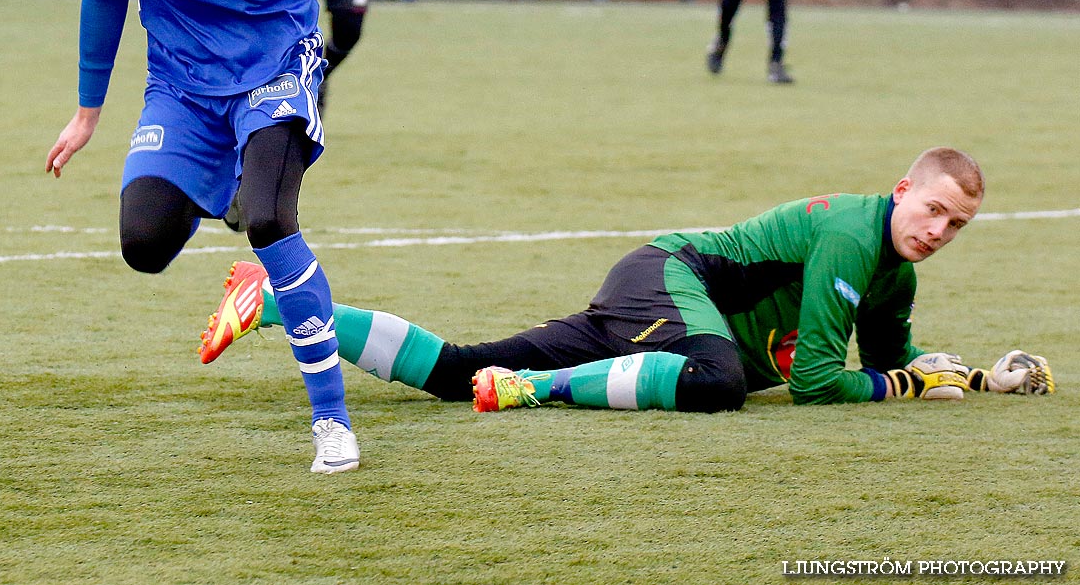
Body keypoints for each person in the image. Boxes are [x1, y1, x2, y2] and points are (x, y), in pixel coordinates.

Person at [43, 0, 575, 474]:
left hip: (276, 61)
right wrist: (89, 107)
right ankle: (229, 199)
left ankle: (331, 420)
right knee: (144, 242)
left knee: (269, 216)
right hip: (182, 84)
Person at [201, 148, 1056, 413]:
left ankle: (275, 299)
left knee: (461, 372)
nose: (937, 231)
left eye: (956, 225)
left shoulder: (893, 273)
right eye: (933, 208)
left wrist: (973, 376)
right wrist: (904, 384)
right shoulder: (849, 232)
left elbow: (895, 353)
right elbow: (817, 380)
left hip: (662, 321)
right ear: (904, 189)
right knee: (721, 382)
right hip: (670, 279)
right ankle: (536, 389)